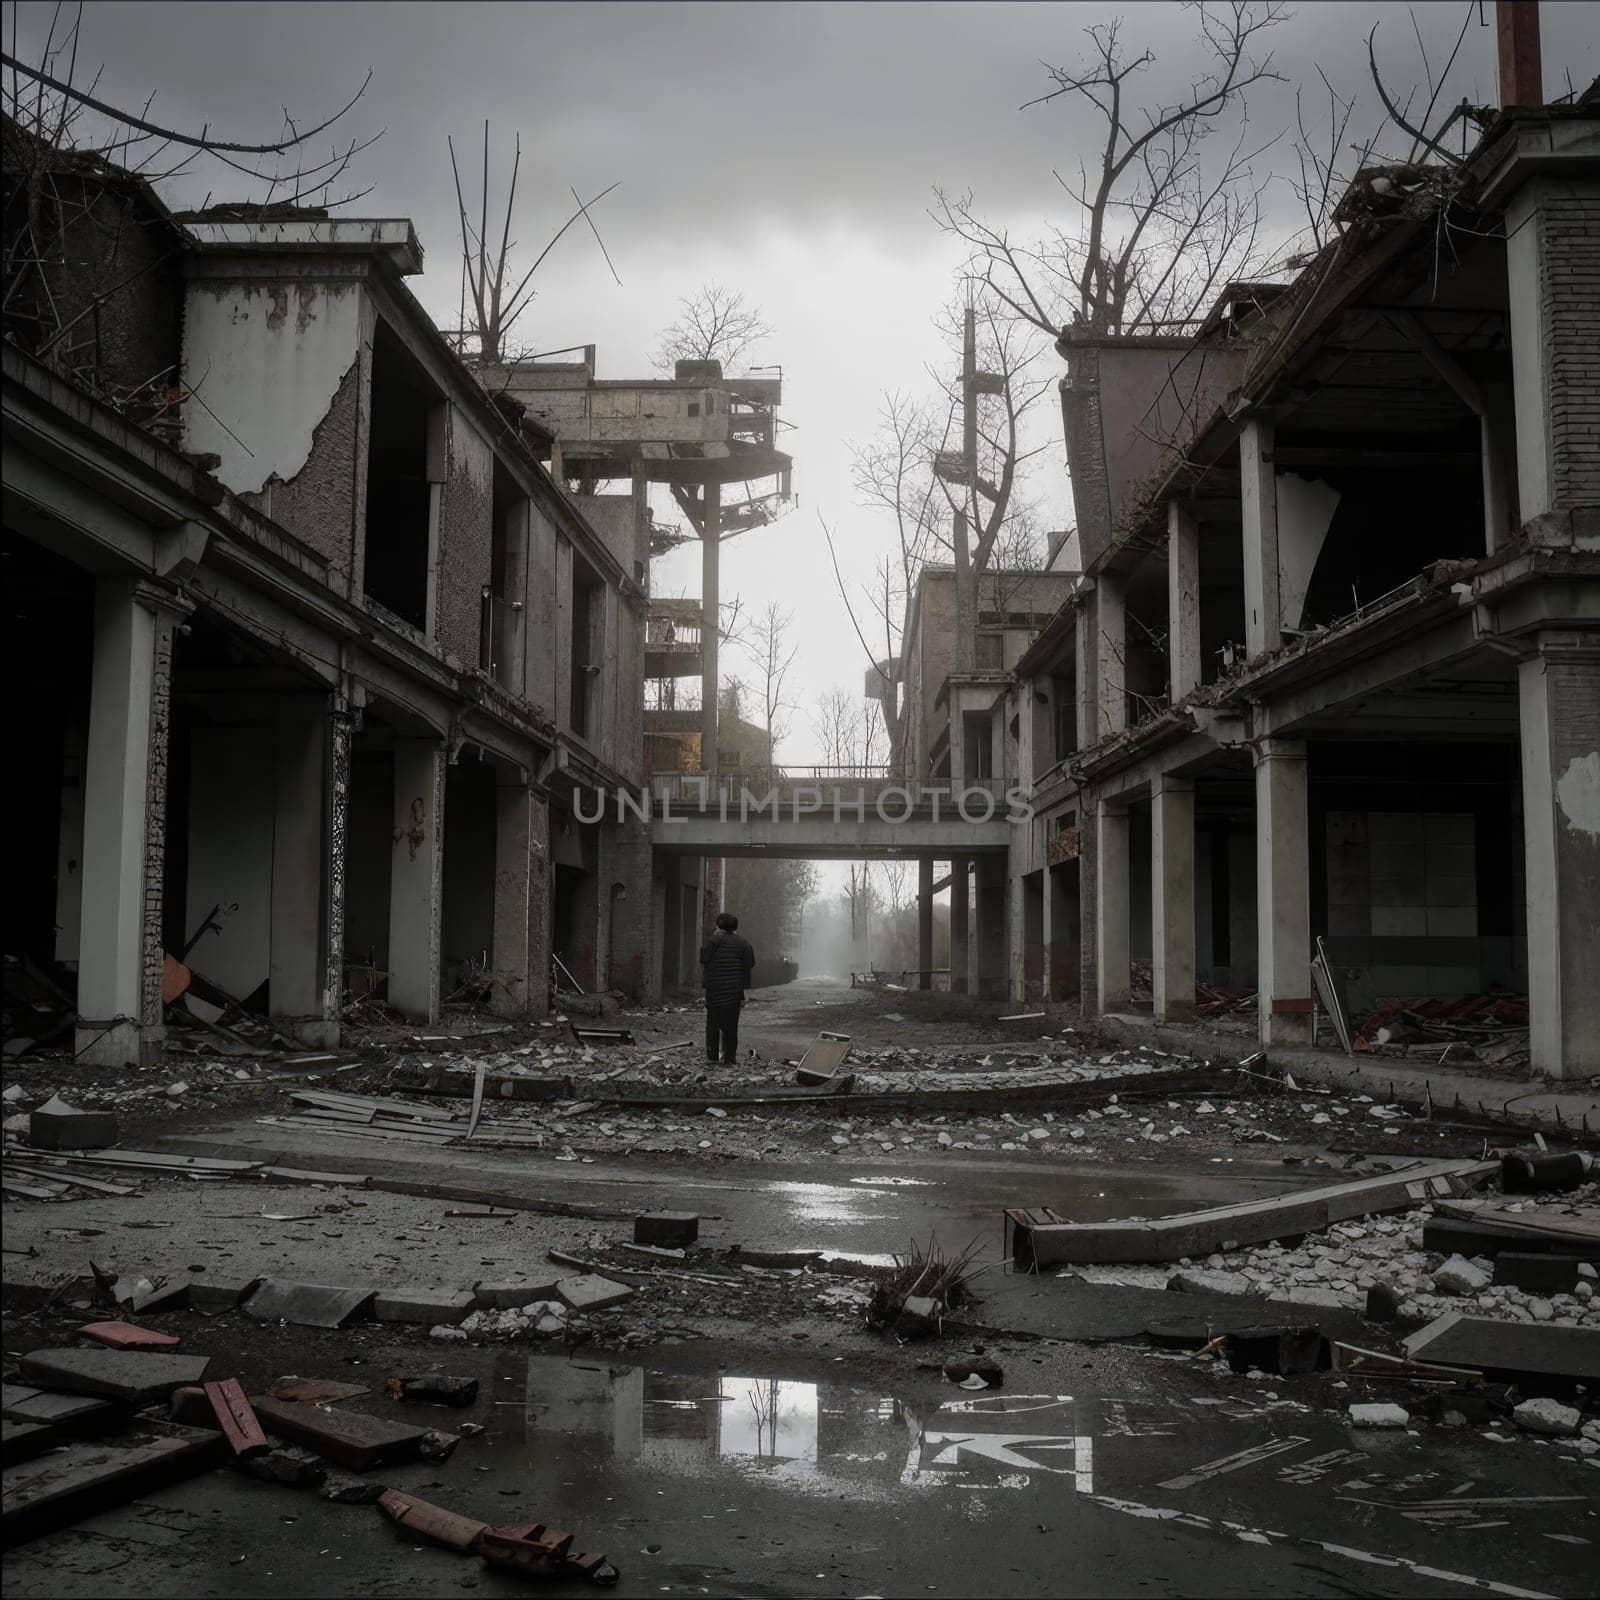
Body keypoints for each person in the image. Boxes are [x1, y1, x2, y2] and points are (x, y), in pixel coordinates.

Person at [700, 911, 755, 1066]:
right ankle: (729, 1059)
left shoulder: (713, 941)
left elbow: (703, 959)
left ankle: (712, 1058)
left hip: (714, 991)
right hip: (734, 992)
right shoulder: (744, 943)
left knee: (712, 1025)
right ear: (735, 927)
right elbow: (749, 964)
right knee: (731, 1026)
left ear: (718, 925)